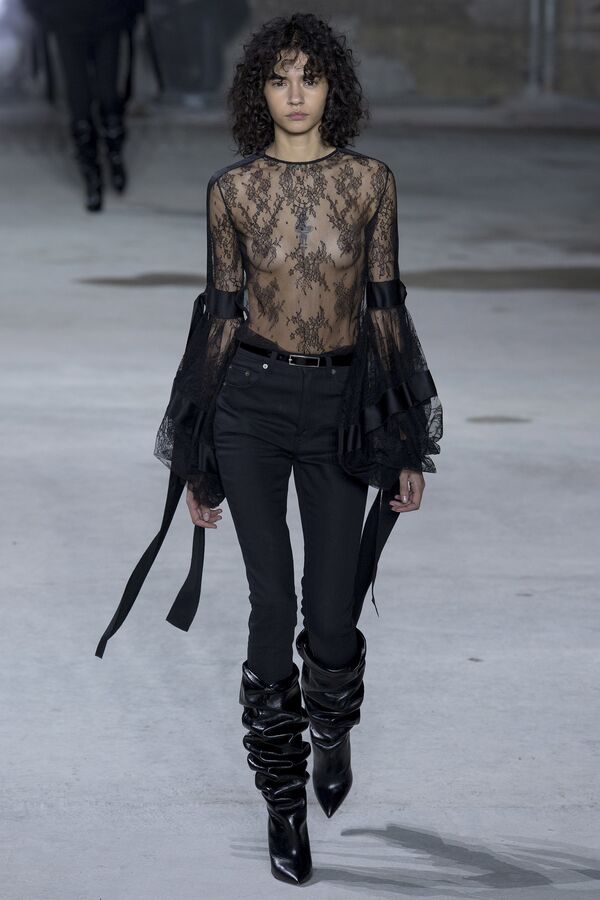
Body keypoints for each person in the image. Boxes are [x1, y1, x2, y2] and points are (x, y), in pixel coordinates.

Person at [95, 12, 443, 885]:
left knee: (330, 616)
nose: (295, 93)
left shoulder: (370, 183)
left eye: (309, 78)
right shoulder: (233, 190)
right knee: (269, 604)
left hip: (339, 408)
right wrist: (195, 452)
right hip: (249, 404)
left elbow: (385, 309)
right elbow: (219, 315)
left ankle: (331, 726)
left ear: (333, 89)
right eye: (280, 78)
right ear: (260, 91)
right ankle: (283, 800)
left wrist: (405, 439)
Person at [23, 0, 143, 211]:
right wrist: (40, 12)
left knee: (108, 95)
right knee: (79, 100)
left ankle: (114, 156)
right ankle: (91, 174)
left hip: (108, 16)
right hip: (66, 19)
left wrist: (133, 10)